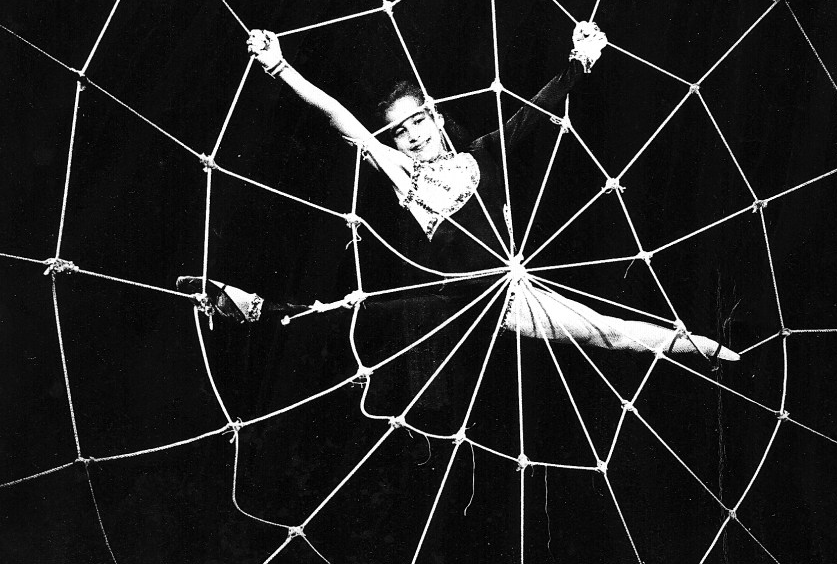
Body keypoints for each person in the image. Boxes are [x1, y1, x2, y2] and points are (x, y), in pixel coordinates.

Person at [178, 23, 738, 363]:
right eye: (401, 131)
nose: (413, 135)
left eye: (419, 121)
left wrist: (578, 64)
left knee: (609, 333)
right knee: (355, 313)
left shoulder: (480, 153)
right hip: (453, 303)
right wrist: (280, 68)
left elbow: (535, 112)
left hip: (510, 298)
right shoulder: (403, 172)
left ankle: (708, 351)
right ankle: (252, 308)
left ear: (437, 117)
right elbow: (338, 116)